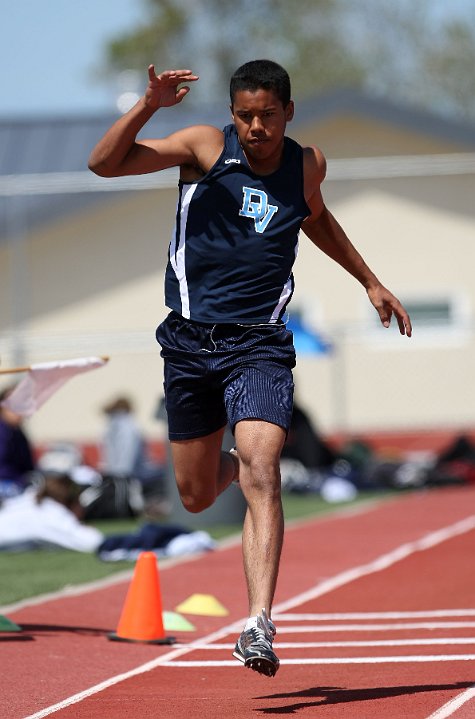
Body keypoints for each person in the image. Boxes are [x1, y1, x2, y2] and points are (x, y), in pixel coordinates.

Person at [89, 59, 412, 677]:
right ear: (232, 114)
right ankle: (233, 464)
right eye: (245, 115)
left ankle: (259, 622)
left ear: (289, 112)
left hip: (259, 342)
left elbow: (314, 216)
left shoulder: (307, 163)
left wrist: (369, 280)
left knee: (264, 471)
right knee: (195, 492)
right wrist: (150, 105)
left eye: (267, 115)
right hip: (188, 343)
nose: (256, 127)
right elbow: (103, 164)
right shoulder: (204, 146)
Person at [0, 385, 35, 500]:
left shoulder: (17, 433)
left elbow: (28, 465)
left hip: (19, 482)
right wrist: (21, 480)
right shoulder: (3, 432)